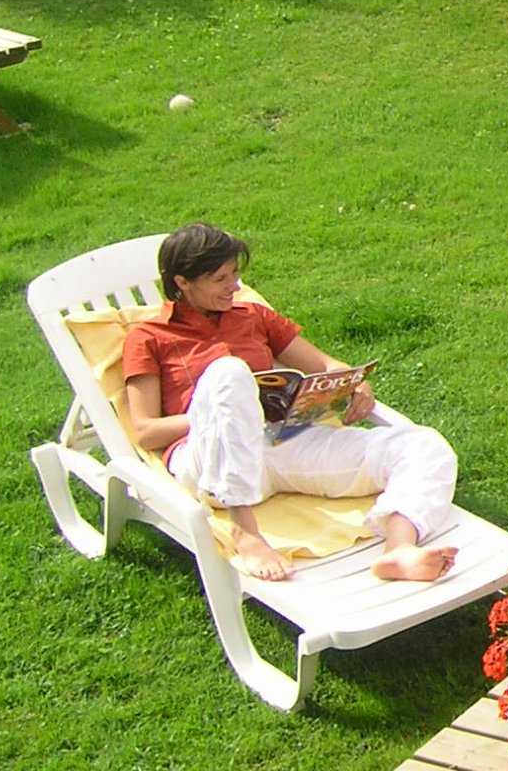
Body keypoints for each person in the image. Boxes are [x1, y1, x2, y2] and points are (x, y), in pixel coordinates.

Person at [120, 222, 460, 583]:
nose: (235, 286)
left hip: (279, 443)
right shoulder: (147, 337)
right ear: (183, 283)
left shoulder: (252, 315)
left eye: (235, 274)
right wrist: (231, 415)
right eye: (221, 278)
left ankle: (399, 550)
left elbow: (326, 365)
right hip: (208, 460)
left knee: (422, 444)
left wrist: (354, 384)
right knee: (229, 374)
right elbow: (145, 432)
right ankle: (246, 533)